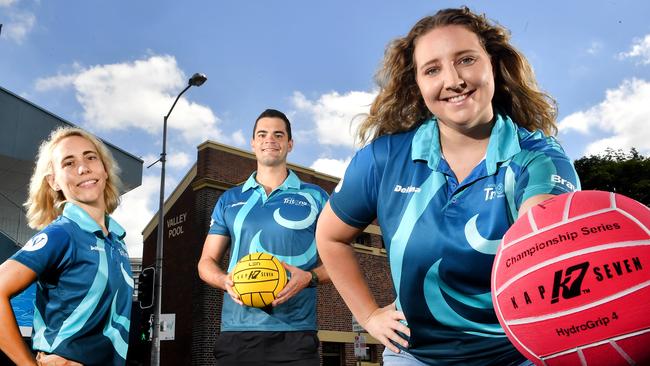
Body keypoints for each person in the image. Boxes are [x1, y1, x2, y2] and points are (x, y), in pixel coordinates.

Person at [316, 7, 580, 366]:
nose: (453, 79)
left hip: (519, 355)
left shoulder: (538, 157)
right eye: (432, 69)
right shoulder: (383, 158)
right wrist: (367, 316)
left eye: (466, 59)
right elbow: (331, 237)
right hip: (416, 356)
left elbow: (545, 238)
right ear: (418, 84)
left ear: (493, 65)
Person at [197, 109, 330, 366]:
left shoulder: (316, 197)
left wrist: (310, 277)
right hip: (238, 332)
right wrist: (224, 280)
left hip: (296, 333)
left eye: (278, 134)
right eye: (263, 134)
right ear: (253, 143)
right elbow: (206, 261)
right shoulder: (230, 199)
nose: (270, 140)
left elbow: (341, 260)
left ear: (290, 144)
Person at [0, 127, 132, 365]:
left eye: (91, 157)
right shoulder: (62, 234)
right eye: (69, 163)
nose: (83, 168)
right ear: (54, 182)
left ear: (104, 169)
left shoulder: (118, 241)